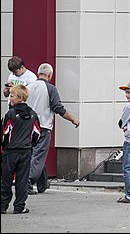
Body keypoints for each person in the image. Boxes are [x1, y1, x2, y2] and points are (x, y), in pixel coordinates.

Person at [26, 63, 80, 194]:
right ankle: (27, 182)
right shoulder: (50, 88)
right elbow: (58, 108)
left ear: (38, 73)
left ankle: (42, 183)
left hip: (28, 127)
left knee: (35, 154)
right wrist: (73, 119)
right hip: (43, 126)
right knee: (39, 155)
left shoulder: (28, 87)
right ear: (50, 75)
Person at [1, 85, 41, 214]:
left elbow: (4, 133)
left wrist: (5, 146)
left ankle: (2, 206)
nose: (10, 98)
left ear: (20, 98)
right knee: (22, 180)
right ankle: (19, 206)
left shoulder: (10, 114)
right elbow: (37, 134)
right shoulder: (33, 114)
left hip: (10, 152)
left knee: (6, 179)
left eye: (12, 96)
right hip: (26, 151)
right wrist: (31, 144)